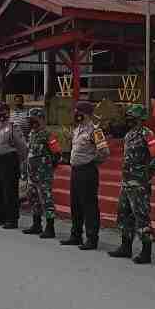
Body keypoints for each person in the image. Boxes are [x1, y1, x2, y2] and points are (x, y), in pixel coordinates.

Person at [108, 104, 155, 264]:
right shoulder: (128, 135)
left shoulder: (147, 134)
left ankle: (146, 251)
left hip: (139, 184)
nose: (129, 119)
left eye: (132, 117)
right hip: (126, 182)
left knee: (141, 217)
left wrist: (146, 173)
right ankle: (125, 247)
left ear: (140, 119)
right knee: (123, 214)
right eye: (128, 117)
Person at [61, 100, 110, 250]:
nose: (76, 115)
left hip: (87, 171)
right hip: (76, 171)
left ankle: (91, 238)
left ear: (86, 114)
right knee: (75, 204)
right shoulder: (77, 130)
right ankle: (75, 235)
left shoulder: (95, 131)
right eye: (75, 112)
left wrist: (91, 162)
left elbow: (104, 152)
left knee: (89, 205)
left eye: (79, 112)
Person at [0, 101, 27, 229]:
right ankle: (0, 216)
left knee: (9, 191)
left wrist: (21, 161)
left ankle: (12, 219)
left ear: (7, 112)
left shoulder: (12, 127)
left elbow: (21, 146)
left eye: (1, 111)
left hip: (9, 162)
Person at [23, 107, 60, 238]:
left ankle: (50, 227)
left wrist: (47, 168)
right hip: (32, 174)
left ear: (41, 119)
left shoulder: (48, 134)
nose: (32, 123)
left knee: (46, 200)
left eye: (34, 120)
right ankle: (36, 224)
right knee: (33, 198)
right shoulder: (32, 134)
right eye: (30, 120)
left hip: (43, 174)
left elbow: (57, 154)